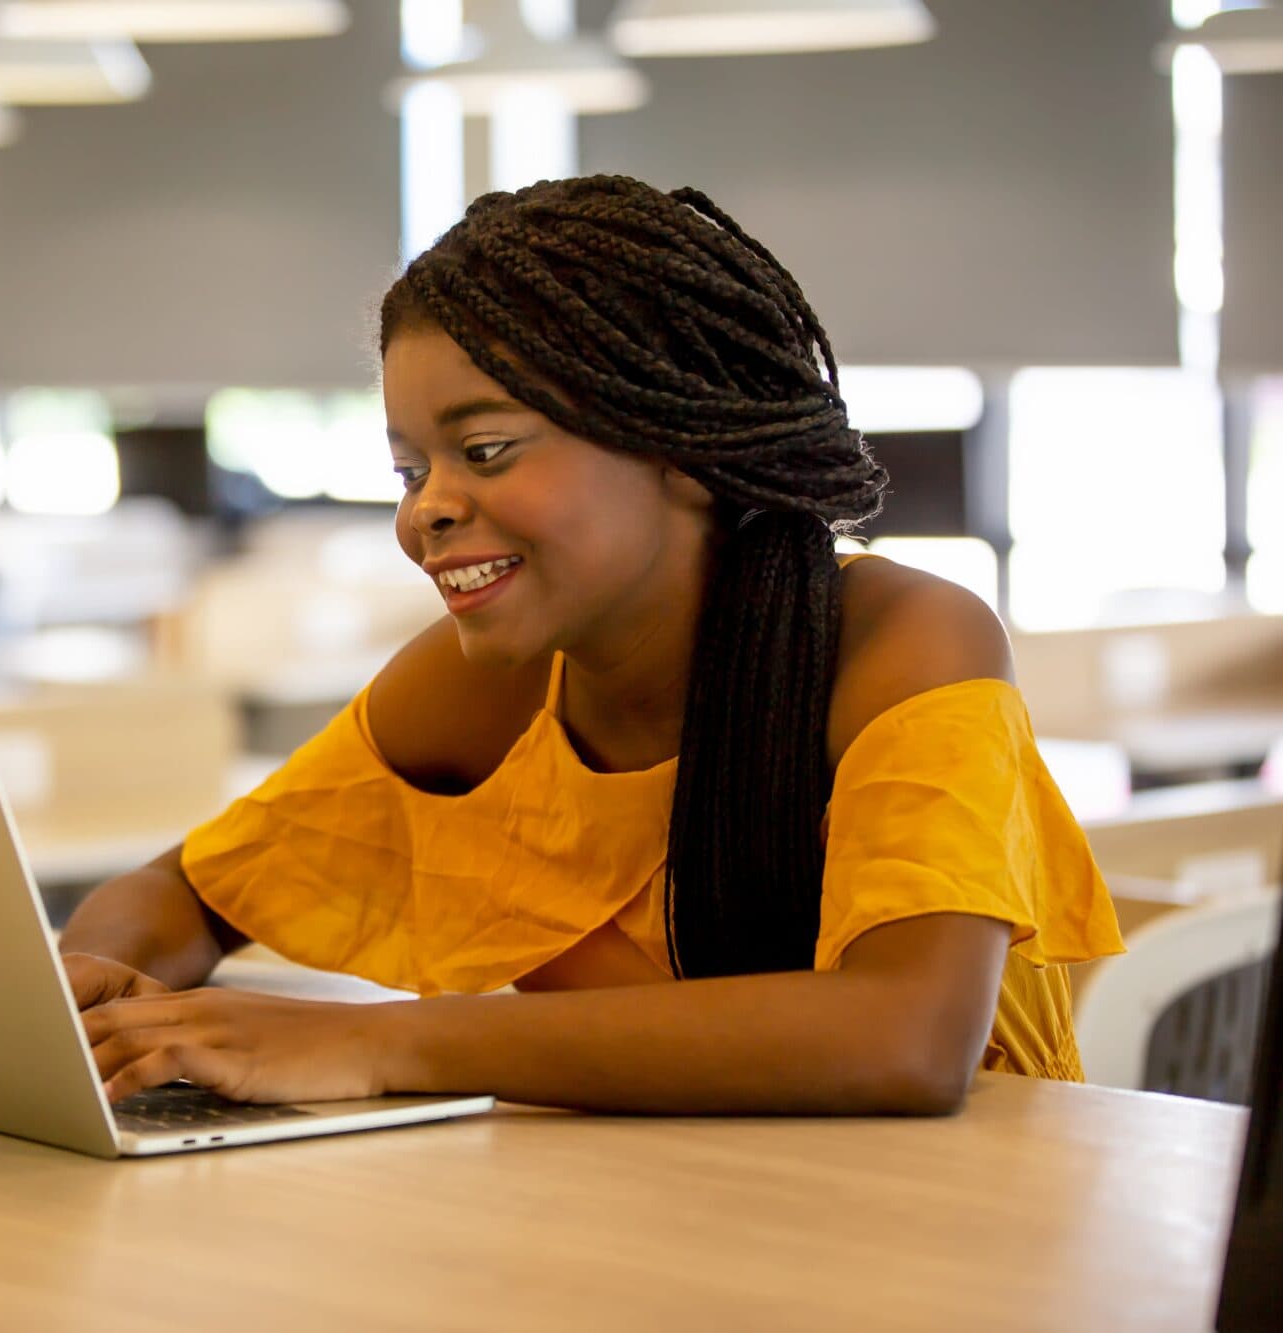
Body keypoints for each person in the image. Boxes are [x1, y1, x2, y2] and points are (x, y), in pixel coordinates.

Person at [57, 175, 1123, 1115]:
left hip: (948, 1232)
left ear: (681, 444)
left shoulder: (904, 641)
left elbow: (904, 1039)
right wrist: (91, 989)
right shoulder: (477, 689)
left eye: (481, 449)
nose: (424, 510)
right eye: (408, 469)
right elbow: (192, 888)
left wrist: (373, 1041)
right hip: (641, 1216)